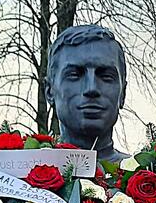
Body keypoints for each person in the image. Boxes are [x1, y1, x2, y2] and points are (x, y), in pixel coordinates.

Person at [45, 24, 129, 162]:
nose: (91, 88)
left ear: (123, 94)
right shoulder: (14, 175)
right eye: (74, 75)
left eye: (106, 76)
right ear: (49, 91)